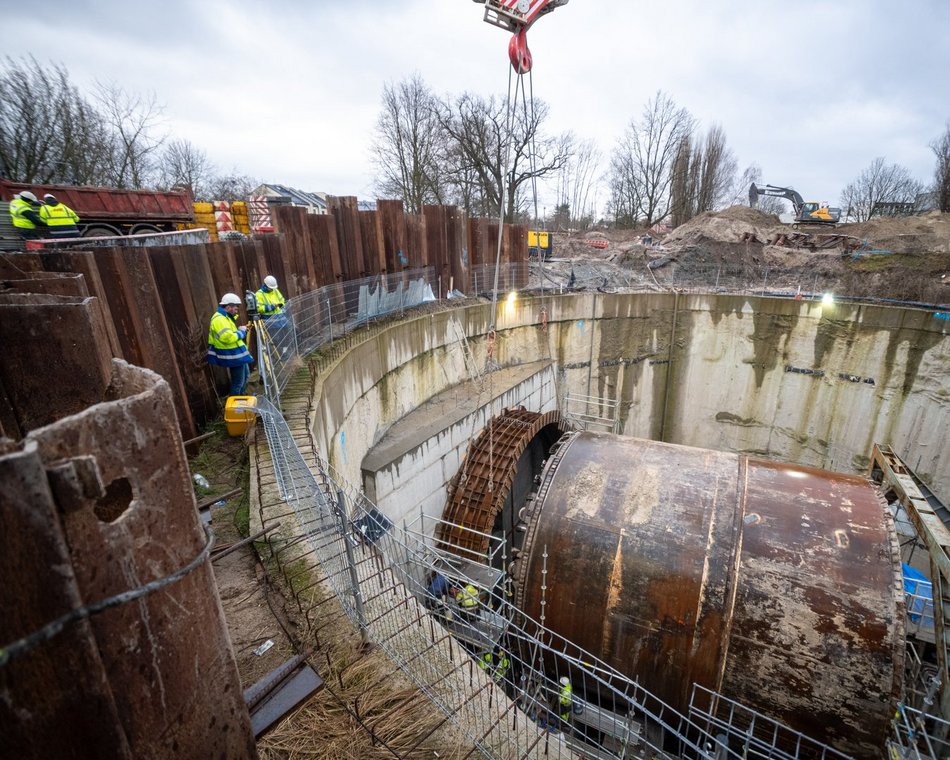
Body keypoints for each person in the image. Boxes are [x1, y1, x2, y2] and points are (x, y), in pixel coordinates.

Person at [207, 292, 254, 397]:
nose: (237, 310)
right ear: (228, 307)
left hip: (237, 354)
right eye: (236, 308)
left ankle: (242, 400)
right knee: (238, 383)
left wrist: (240, 329)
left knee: (245, 377)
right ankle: (236, 407)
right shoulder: (219, 319)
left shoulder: (225, 318)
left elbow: (230, 333)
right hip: (232, 355)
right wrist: (241, 332)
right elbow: (227, 338)